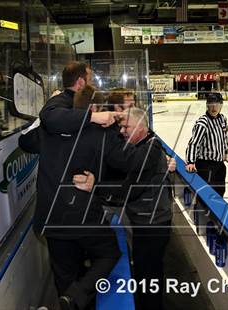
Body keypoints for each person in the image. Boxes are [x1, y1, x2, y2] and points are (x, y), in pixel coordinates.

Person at [19, 65, 133, 310]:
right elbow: (126, 166)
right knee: (108, 254)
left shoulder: (49, 129)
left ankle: (70, 299)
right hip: (82, 218)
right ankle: (75, 297)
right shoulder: (100, 131)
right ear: (94, 107)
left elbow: (27, 140)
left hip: (52, 218)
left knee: (65, 277)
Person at [73, 107, 173, 310]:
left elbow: (131, 190)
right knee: (146, 271)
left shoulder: (151, 150)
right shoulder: (144, 144)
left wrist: (96, 186)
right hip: (147, 222)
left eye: (126, 127)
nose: (122, 131)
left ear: (140, 127)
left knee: (149, 274)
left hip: (153, 225)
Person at [185, 92, 228, 197]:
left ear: (221, 105)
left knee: (219, 193)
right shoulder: (203, 123)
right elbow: (194, 143)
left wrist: (225, 151)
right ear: (207, 105)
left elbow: (224, 136)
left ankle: (216, 212)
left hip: (219, 165)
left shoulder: (223, 119)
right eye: (211, 104)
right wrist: (190, 162)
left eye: (217, 104)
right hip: (206, 165)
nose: (214, 107)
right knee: (206, 195)